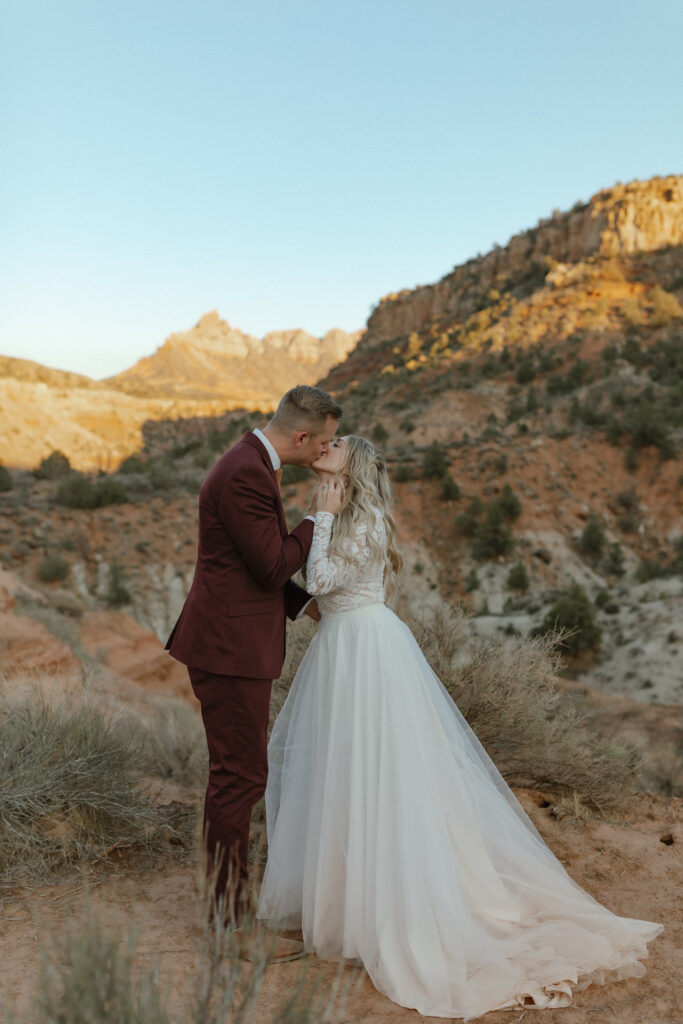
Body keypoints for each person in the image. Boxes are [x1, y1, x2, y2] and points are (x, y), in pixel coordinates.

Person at [257, 434, 664, 1018]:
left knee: (383, 772)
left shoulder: (363, 515)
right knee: (340, 770)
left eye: (339, 441)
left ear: (357, 465)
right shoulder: (344, 511)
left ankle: (399, 906)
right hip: (339, 649)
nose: (328, 442)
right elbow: (320, 593)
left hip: (368, 651)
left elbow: (319, 582)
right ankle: (347, 906)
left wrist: (318, 515)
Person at [165, 384, 342, 962]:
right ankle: (228, 924)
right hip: (228, 651)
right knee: (239, 778)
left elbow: (241, 565)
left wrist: (302, 604)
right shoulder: (245, 473)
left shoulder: (251, 463)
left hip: (230, 641)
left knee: (237, 775)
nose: (328, 448)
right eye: (326, 439)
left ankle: (229, 914)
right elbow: (269, 565)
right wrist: (320, 516)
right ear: (302, 438)